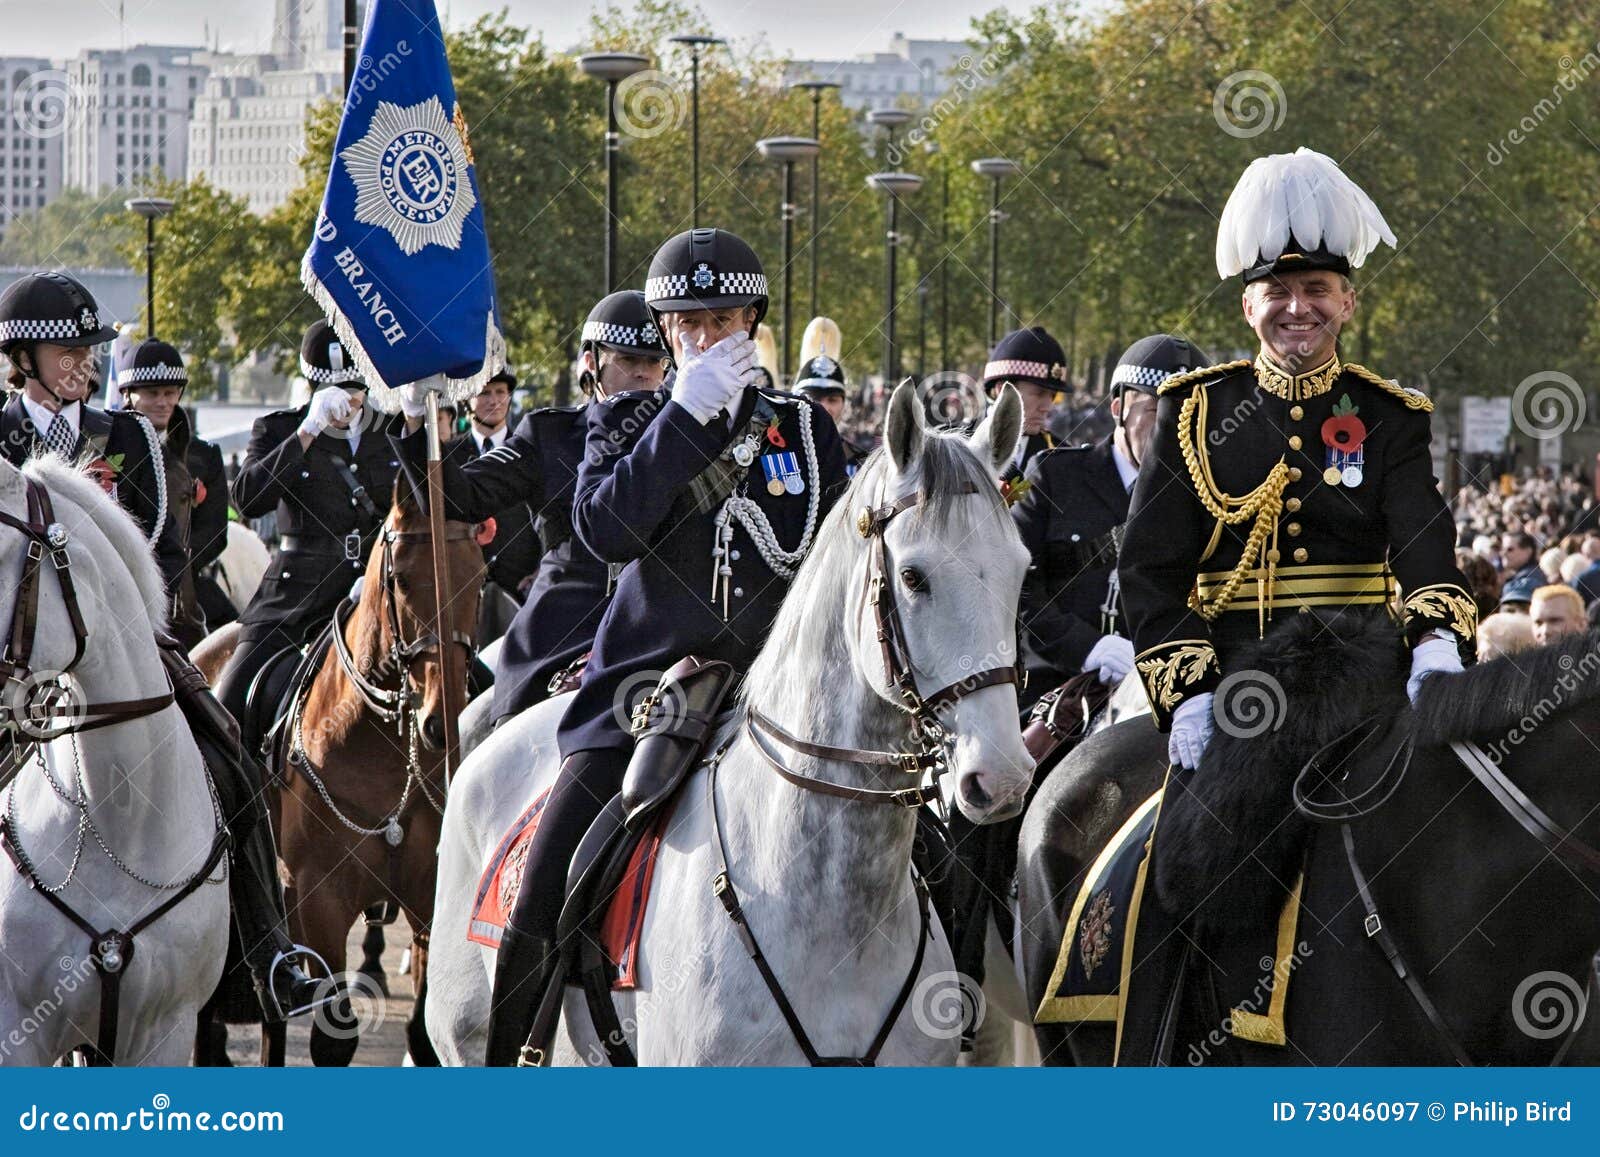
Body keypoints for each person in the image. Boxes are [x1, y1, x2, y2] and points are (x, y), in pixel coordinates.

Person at [483, 227, 848, 1065]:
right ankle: (505, 1074)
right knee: (545, 883)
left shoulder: (804, 429)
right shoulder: (631, 422)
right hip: (645, 694)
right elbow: (607, 528)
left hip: (778, 688)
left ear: (753, 321)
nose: (701, 339)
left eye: (719, 320)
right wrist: (685, 416)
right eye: (683, 324)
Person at [1122, 148, 1475, 765]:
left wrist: (1435, 643)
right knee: (1191, 854)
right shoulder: (1193, 410)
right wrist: (1190, 693)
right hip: (1231, 687)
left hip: (1363, 686)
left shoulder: (1391, 416)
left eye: (1317, 289)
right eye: (1276, 292)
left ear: (1348, 303)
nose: (1297, 308)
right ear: (1247, 307)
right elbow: (1151, 566)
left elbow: (1424, 541)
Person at [394, 290, 671, 726]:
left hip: (659, 626)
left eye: (654, 362)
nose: (642, 374)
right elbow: (457, 498)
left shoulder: (686, 439)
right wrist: (417, 421)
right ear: (591, 362)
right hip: (565, 629)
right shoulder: (549, 435)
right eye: (627, 360)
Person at [215, 320, 404, 744]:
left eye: (357, 389)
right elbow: (248, 499)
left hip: (375, 584)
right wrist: (307, 432)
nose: (350, 402)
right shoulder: (280, 429)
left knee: (466, 680)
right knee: (230, 701)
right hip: (296, 589)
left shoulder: (390, 431)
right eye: (337, 392)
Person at [1011, 334, 1205, 696]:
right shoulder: (1055, 477)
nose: (1174, 431)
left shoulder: (1208, 494)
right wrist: (1087, 647)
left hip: (1169, 688)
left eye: (1188, 415)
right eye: (1157, 412)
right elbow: (1015, 584)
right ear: (1118, 408)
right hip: (1060, 683)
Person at [0, 273, 184, 594]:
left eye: (87, 351)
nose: (85, 364)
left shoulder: (131, 434)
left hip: (113, 627)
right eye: (68, 353)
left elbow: (166, 554)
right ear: (23, 359)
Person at [116, 337, 231, 643]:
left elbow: (215, 531)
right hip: (124, 582)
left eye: (170, 393)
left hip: (186, 587)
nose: (163, 402)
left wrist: (178, 564)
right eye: (152, 393)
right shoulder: (108, 449)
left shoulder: (204, 456)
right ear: (128, 394)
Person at [982, 325, 1067, 480]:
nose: (1047, 407)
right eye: (1038, 393)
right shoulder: (957, 446)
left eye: (1053, 396)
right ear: (1003, 390)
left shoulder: (1062, 458)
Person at [793, 349, 870, 475]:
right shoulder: (775, 452)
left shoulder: (861, 463)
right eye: (814, 398)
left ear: (844, 404)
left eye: (832, 400)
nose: (824, 407)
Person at [1498, 531, 1542, 608]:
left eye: (1510, 549)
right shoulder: (1525, 576)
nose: (1503, 553)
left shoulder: (1529, 581)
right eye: (1502, 549)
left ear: (1528, 551)